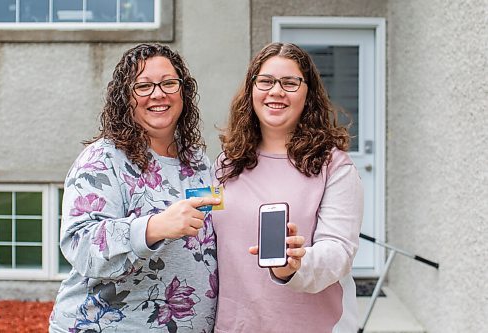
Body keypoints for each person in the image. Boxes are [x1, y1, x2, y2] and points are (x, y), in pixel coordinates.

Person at [49, 43, 220, 333]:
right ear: (126, 98)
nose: (158, 93)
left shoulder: (198, 162)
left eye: (169, 83)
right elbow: (81, 243)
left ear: (183, 92)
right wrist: (154, 227)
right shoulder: (103, 159)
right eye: (143, 86)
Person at [212, 42, 364, 332]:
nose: (276, 91)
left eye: (290, 82)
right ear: (251, 90)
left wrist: (295, 265)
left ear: (308, 94)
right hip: (236, 326)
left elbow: (338, 251)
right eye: (266, 81)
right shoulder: (227, 163)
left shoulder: (334, 166)